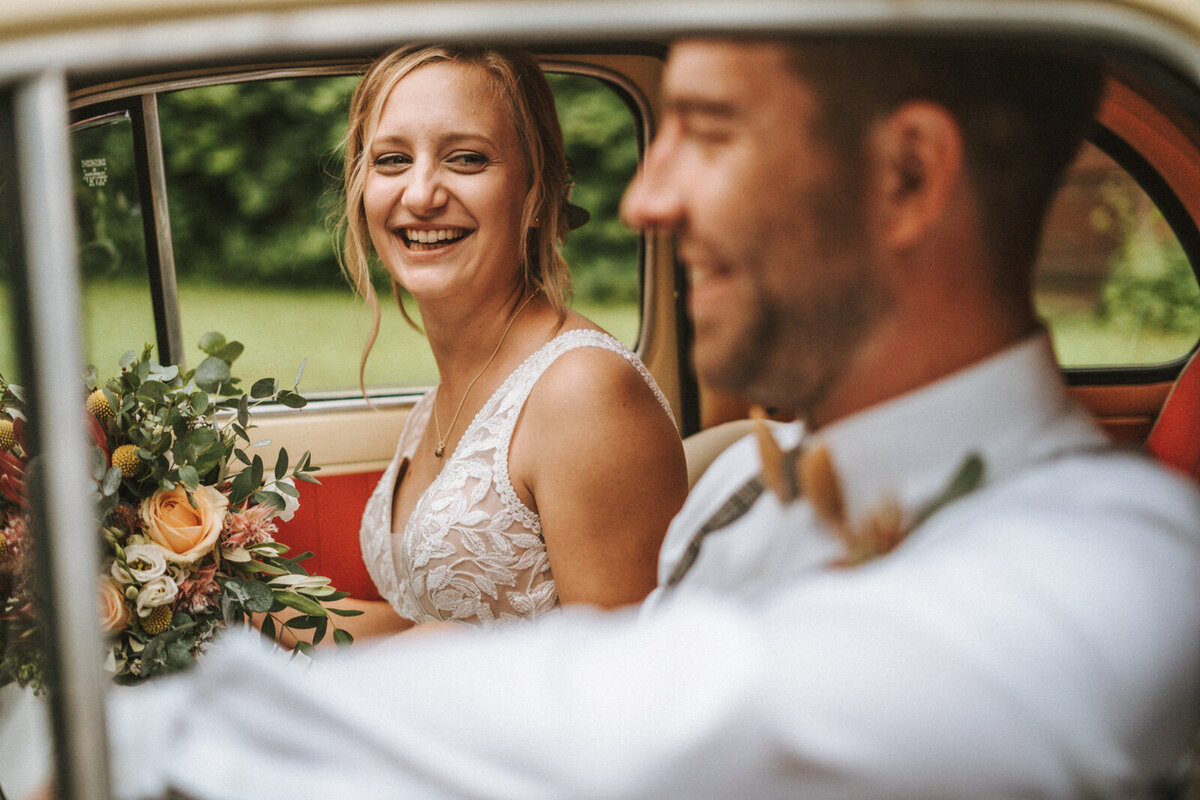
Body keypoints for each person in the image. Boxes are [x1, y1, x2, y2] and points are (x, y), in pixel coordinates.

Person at [102, 37, 1200, 799]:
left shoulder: (1125, 563)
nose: (645, 200)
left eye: (711, 134)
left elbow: (643, 719)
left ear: (906, 176)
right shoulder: (738, 486)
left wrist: (107, 743)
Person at [333, 45, 687, 633]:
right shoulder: (436, 405)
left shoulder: (584, 392)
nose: (420, 195)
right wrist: (239, 602)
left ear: (536, 192)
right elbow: (413, 627)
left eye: (467, 158)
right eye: (392, 160)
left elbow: (619, 690)